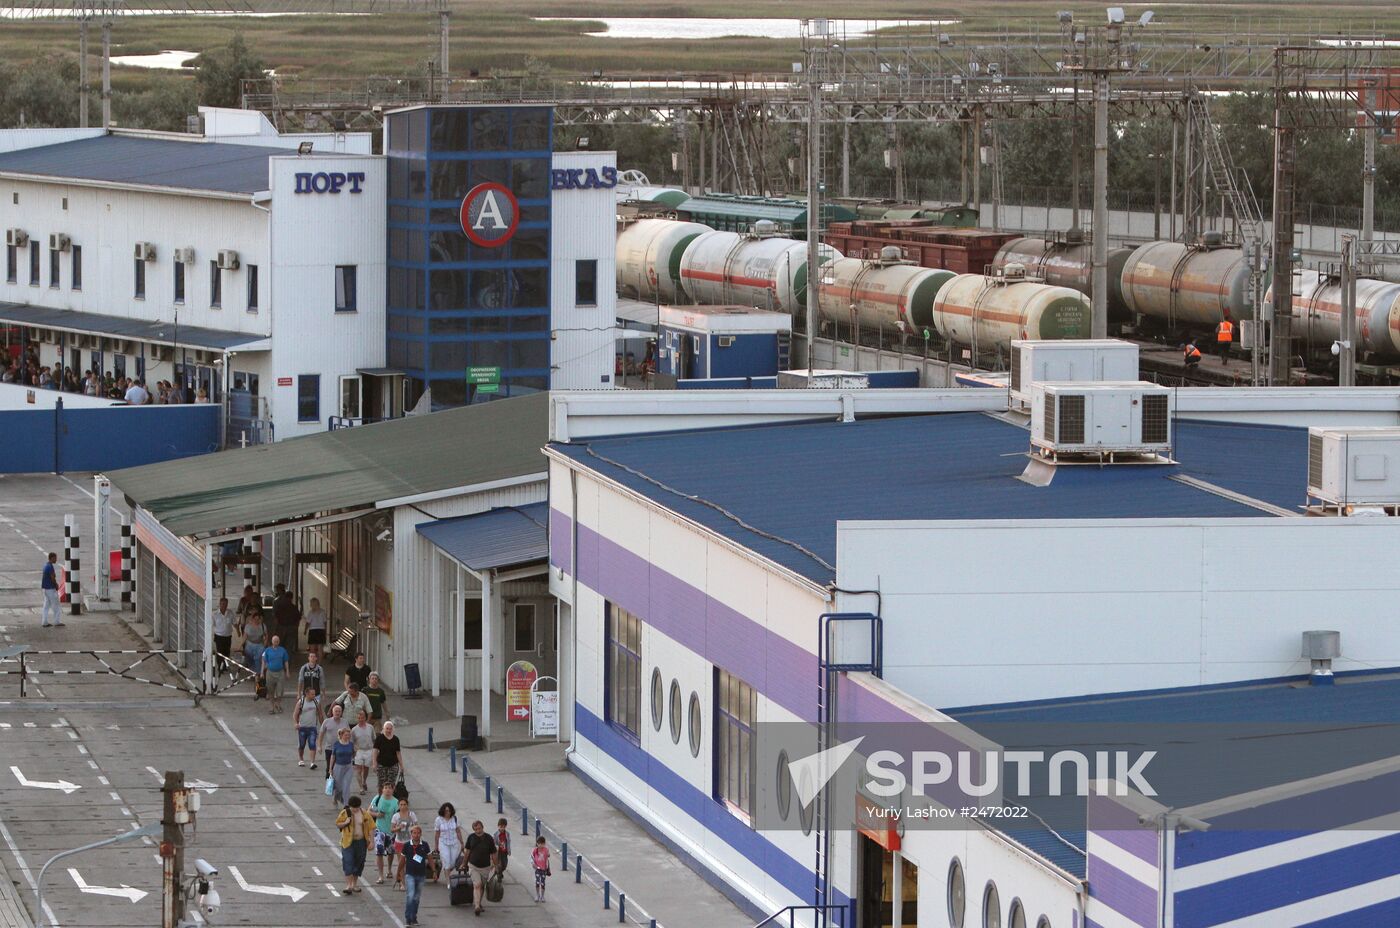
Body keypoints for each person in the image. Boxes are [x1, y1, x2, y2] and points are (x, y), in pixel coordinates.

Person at [336, 795, 375, 896]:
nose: (354, 809)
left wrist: (372, 841)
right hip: (348, 841)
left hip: (361, 841)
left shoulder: (364, 813)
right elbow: (338, 824)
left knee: (359, 861)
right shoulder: (345, 813)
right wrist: (345, 822)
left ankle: (354, 884)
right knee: (348, 861)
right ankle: (348, 885)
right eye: (353, 807)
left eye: (356, 807)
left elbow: (371, 827)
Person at [464, 819, 497, 915]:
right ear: (473, 830)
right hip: (473, 866)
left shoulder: (489, 838)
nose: (478, 831)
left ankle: (478, 903)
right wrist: (464, 863)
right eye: (476, 829)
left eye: (479, 828)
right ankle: (477, 906)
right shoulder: (471, 837)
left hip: (485, 867)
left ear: (482, 827)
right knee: (477, 884)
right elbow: (467, 852)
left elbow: (494, 853)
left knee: (482, 886)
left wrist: (496, 865)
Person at [369, 782, 400, 885]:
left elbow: (398, 816)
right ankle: (380, 876)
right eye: (385, 788)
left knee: (391, 852)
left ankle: (389, 869)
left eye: (389, 788)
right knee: (379, 853)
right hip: (379, 830)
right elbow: (368, 811)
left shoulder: (396, 802)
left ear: (393, 790)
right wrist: (377, 814)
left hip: (391, 831)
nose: (387, 790)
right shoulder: (377, 799)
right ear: (382, 789)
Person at [401, 824, 431, 927]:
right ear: (411, 834)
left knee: (416, 898)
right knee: (410, 895)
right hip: (410, 874)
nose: (416, 835)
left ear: (421, 834)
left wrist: (434, 871)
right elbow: (402, 861)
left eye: (418, 833)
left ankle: (414, 917)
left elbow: (430, 858)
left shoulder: (425, 845)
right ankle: (408, 918)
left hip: (421, 875)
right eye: (414, 833)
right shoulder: (406, 845)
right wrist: (399, 874)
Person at [391, 799, 418, 890]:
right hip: (399, 842)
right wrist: (398, 827)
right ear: (398, 805)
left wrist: (413, 830)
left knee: (410, 862)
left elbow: (417, 827)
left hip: (410, 842)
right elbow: (392, 829)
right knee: (401, 863)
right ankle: (402, 883)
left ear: (407, 805)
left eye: (404, 804)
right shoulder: (396, 816)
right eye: (401, 804)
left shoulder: (412, 815)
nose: (403, 806)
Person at [433, 803, 463, 882]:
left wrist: (462, 843)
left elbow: (458, 831)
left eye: (449, 811)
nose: (448, 813)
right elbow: (437, 834)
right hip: (443, 843)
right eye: (446, 811)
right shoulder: (438, 820)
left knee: (452, 863)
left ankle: (446, 869)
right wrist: (436, 846)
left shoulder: (455, 819)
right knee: (446, 860)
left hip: (454, 843)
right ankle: (448, 881)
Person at [260, 635, 291, 714]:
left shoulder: (283, 650)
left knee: (280, 691)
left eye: (277, 641)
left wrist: (287, 671)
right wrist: (261, 672)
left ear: (279, 642)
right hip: (270, 673)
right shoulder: (267, 650)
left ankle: (278, 704)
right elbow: (263, 661)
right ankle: (272, 706)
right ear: (272, 641)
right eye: (274, 641)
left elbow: (286, 661)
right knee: (270, 691)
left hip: (280, 672)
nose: (276, 642)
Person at [293, 684, 322, 768]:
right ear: (307, 694)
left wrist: (323, 724)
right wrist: (295, 723)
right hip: (302, 727)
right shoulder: (301, 702)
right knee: (302, 744)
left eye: (314, 694)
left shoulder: (316, 702)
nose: (314, 695)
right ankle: (301, 759)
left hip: (312, 727)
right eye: (312, 694)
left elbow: (320, 714)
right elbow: (295, 714)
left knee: (312, 744)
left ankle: (312, 762)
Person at [372, 719, 403, 794]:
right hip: (381, 764)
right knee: (381, 784)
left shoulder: (396, 739)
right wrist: (374, 763)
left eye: (390, 728)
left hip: (393, 765)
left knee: (391, 784)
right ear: (383, 729)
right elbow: (375, 751)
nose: (389, 730)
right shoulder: (379, 738)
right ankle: (380, 798)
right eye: (387, 728)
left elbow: (398, 753)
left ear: (393, 729)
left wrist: (401, 765)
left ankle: (390, 799)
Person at [318, 702, 348, 776]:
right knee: (330, 767)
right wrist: (319, 746)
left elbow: (348, 735)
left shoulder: (345, 722)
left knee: (340, 767)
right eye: (336, 711)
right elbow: (321, 734)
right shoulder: (326, 722)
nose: (337, 713)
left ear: (341, 713)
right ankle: (329, 784)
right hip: (329, 748)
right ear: (332, 712)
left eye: (339, 711)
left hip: (341, 748)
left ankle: (338, 783)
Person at [272, 583, 301, 658]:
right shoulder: (294, 608)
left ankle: (281, 660)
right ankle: (287, 662)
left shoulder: (278, 604)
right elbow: (298, 619)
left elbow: (276, 617)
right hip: (291, 627)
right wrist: (295, 627)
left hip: (282, 627)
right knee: (289, 647)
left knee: (280, 645)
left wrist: (276, 628)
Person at [350, 708, 375, 795]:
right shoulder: (354, 730)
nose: (361, 719)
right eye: (359, 717)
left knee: (366, 769)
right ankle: (361, 787)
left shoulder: (370, 727)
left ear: (365, 717)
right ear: (357, 718)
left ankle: (364, 781)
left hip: (369, 750)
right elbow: (351, 742)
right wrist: (353, 753)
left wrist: (375, 752)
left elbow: (374, 739)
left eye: (362, 717)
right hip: (359, 751)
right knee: (358, 770)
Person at [330, 726, 356, 807]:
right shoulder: (337, 744)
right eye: (346, 735)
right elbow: (333, 756)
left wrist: (353, 762)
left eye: (349, 735)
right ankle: (335, 797)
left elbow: (354, 753)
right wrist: (330, 768)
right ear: (341, 735)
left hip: (348, 767)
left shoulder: (351, 744)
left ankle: (346, 804)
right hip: (338, 766)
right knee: (338, 786)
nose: (347, 736)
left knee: (346, 785)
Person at [211, 597, 235, 678]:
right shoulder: (214, 614)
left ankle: (225, 666)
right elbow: (211, 625)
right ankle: (220, 667)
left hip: (228, 636)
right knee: (220, 652)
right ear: (219, 604)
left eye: (225, 604)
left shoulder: (230, 613)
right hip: (219, 636)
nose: (224, 606)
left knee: (227, 652)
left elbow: (234, 623)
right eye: (222, 604)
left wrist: (238, 631)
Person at [40, 552, 62, 628]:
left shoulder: (46, 565)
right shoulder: (50, 567)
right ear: (51, 558)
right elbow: (52, 578)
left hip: (46, 589)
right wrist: (56, 585)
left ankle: (44, 622)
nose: (56, 559)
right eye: (55, 558)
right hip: (50, 589)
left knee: (46, 606)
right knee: (56, 605)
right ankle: (57, 621)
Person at [304, 597, 328, 661]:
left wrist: (305, 630)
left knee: (312, 649)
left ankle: (313, 662)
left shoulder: (310, 613)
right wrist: (325, 630)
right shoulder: (323, 612)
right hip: (321, 631)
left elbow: (308, 623)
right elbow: (325, 622)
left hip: (313, 631)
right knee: (320, 649)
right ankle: (319, 664)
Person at [531, 836, 550, 903]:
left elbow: (548, 856)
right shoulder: (535, 850)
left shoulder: (546, 850)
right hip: (537, 868)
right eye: (539, 843)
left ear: (544, 844)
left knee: (543, 883)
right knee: (537, 882)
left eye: (542, 844)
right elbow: (532, 858)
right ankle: (537, 895)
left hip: (544, 869)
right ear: (537, 843)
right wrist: (533, 864)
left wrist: (547, 867)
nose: (541, 845)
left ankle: (542, 896)